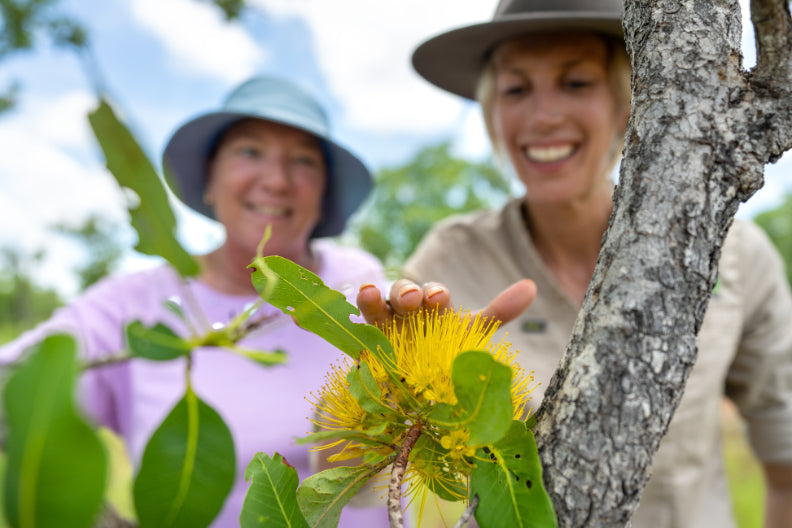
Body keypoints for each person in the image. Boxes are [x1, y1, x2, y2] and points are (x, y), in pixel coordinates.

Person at [358, 1, 792, 526]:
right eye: (517, 89)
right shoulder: (453, 258)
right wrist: (388, 389)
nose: (543, 116)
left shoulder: (733, 252)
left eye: (576, 83)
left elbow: (785, 455)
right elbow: (366, 483)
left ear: (629, 100)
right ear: (493, 110)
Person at [1, 76, 390, 526]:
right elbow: (19, 390)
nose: (277, 180)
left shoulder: (357, 281)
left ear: (324, 196)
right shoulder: (132, 303)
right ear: (209, 181)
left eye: (303, 160)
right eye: (249, 151)